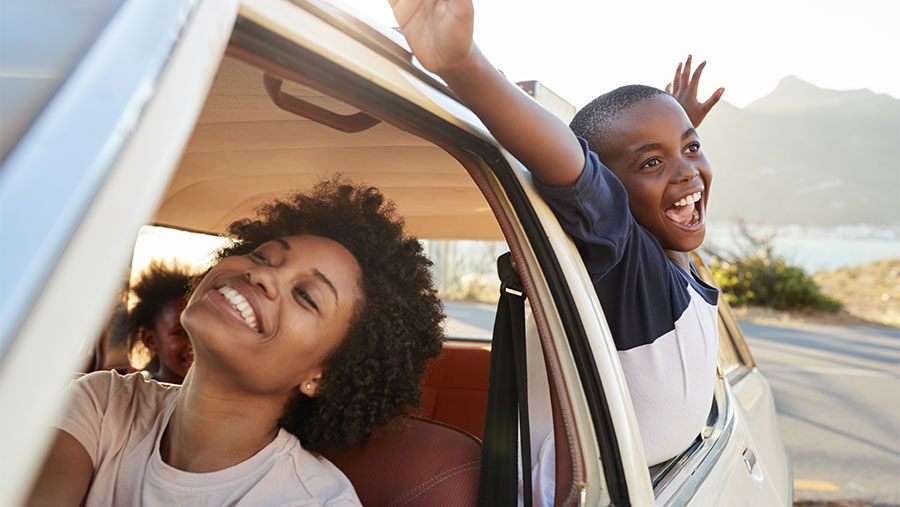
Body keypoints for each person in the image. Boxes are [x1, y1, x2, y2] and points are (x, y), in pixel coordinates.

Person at [390, 0, 723, 474]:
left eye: (692, 148)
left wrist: (668, 132)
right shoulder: (622, 262)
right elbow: (578, 174)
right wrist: (464, 67)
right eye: (652, 162)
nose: (689, 172)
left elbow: (667, 220)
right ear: (606, 192)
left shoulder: (663, 257)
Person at [26, 179, 445, 506]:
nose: (261, 275)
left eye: (305, 296)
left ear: (325, 376)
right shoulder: (105, 402)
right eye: (263, 256)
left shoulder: (310, 502)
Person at [126, 260, 194, 384]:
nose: (194, 343)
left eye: (199, 331)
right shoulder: (137, 392)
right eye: (180, 333)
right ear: (150, 340)